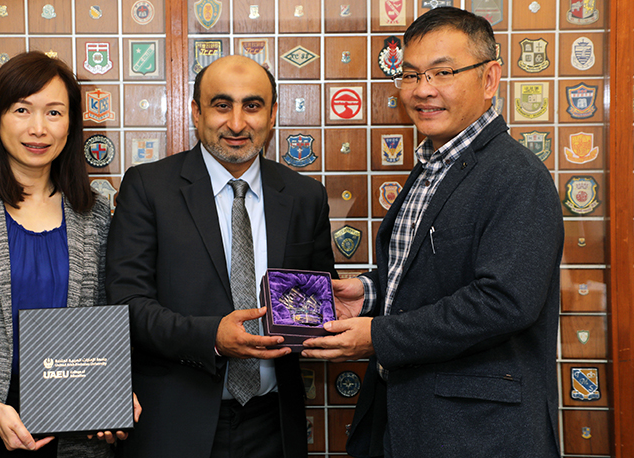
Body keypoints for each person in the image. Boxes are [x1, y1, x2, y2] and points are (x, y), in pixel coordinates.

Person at [302, 7, 563, 458]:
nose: (423, 90)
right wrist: (366, 293)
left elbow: (504, 303)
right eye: (410, 75)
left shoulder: (517, 175)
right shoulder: (431, 167)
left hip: (477, 435)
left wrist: (378, 336)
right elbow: (424, 276)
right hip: (407, 423)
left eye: (443, 72)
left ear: (489, 78)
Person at [0, 51, 140, 458]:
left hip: (74, 429)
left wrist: (115, 389)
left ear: (71, 123)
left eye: (54, 112)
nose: (38, 128)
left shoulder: (95, 214)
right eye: (22, 109)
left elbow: (108, 325)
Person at [105, 55, 336, 458]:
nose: (236, 123)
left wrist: (335, 321)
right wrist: (212, 337)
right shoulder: (149, 188)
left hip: (274, 426)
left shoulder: (305, 196)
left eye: (252, 105)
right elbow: (127, 306)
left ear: (272, 113)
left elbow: (318, 303)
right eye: (221, 105)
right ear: (196, 112)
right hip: (174, 426)